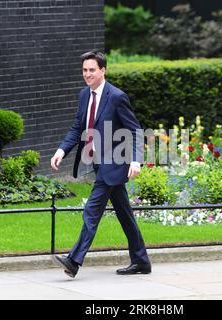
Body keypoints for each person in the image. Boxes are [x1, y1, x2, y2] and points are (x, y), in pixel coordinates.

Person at [50, 51, 151, 278]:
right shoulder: (84, 95)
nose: (87, 74)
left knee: (92, 210)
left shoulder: (116, 96)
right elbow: (78, 127)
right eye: (85, 70)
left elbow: (134, 129)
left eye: (92, 70)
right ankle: (141, 260)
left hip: (114, 163)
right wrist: (61, 150)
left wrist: (135, 160)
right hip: (98, 162)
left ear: (103, 71)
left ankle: (74, 260)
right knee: (125, 214)